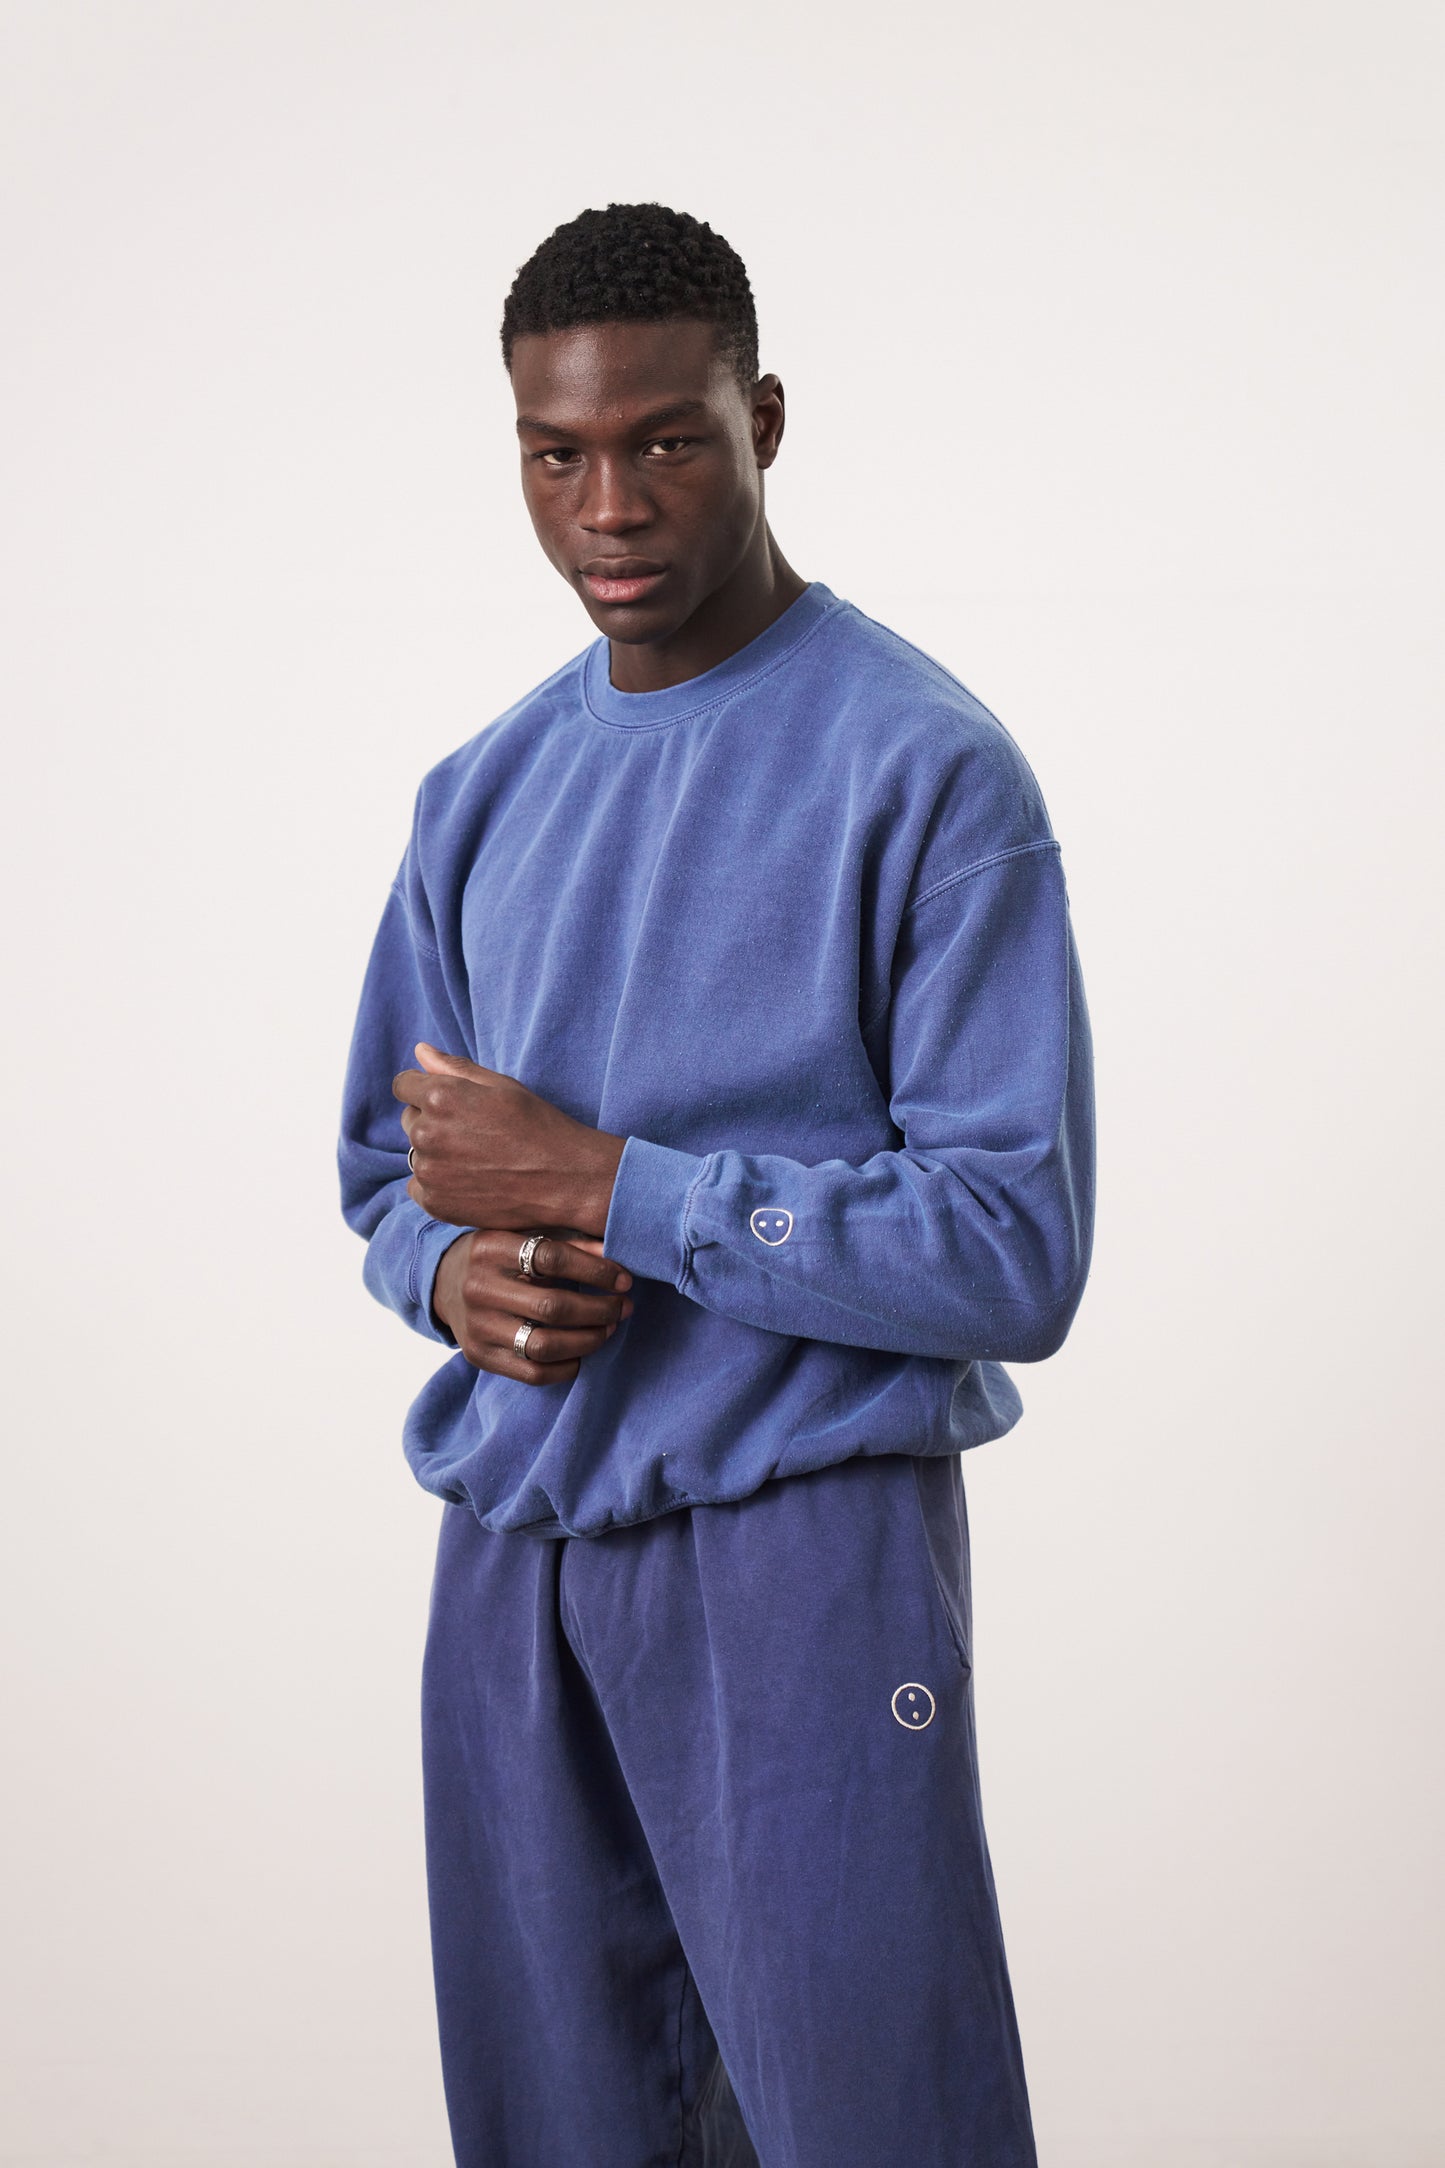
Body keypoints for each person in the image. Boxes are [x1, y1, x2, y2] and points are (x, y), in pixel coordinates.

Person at [338, 201, 1094, 2168]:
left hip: (802, 1554)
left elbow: (1014, 1249)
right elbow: (390, 1174)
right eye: (555, 454)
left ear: (761, 420)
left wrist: (616, 1190)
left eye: (664, 440)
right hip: (511, 1558)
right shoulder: (480, 795)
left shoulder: (924, 770)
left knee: (875, 2124)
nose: (608, 507)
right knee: (556, 2130)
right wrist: (455, 1280)